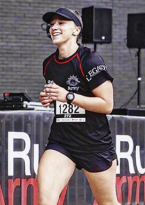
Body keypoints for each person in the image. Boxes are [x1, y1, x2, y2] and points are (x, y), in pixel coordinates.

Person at [38, 8, 120, 205]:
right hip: (62, 142)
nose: (54, 27)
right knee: (44, 200)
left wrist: (68, 96)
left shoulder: (90, 60)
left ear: (76, 30)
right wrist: (48, 99)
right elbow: (61, 99)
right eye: (52, 24)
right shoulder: (48, 64)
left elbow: (107, 105)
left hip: (94, 143)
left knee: (107, 202)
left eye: (61, 23)